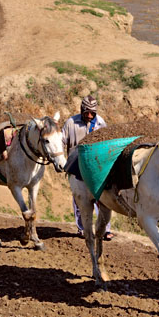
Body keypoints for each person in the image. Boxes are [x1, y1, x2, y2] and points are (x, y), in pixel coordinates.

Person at [62, 95, 113, 240]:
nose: (89, 116)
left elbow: (106, 143)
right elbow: (61, 140)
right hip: (75, 166)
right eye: (86, 112)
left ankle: (104, 230)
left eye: (92, 113)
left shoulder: (100, 123)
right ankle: (82, 228)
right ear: (81, 110)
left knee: (101, 197)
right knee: (79, 199)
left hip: (94, 166)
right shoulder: (71, 123)